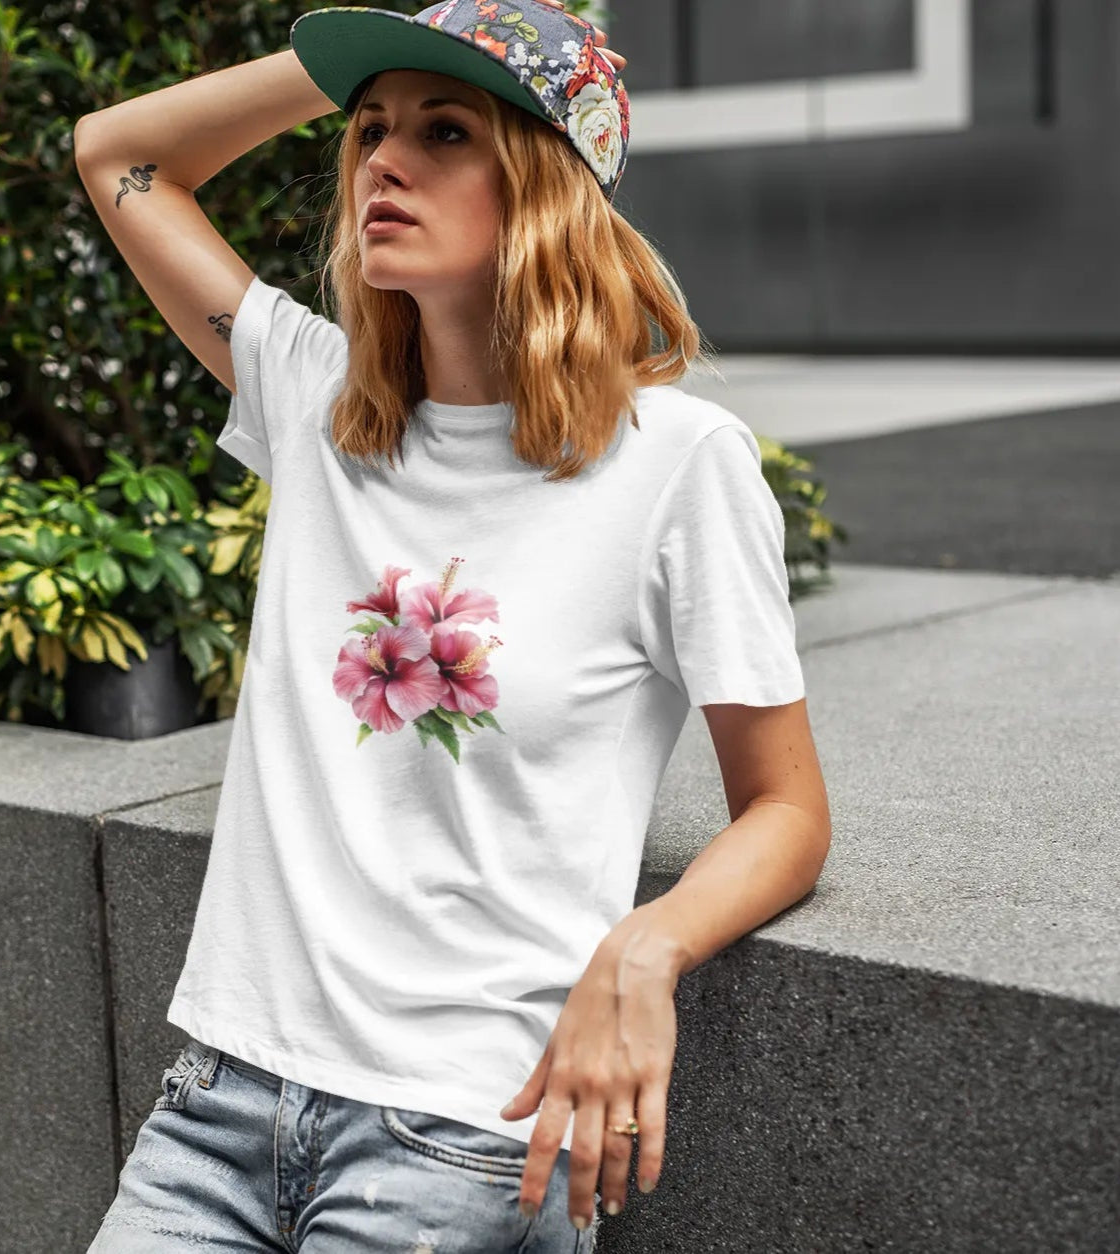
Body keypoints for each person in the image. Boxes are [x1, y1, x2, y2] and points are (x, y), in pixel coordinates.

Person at [74, 1, 831, 1249]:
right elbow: (119, 156)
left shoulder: (678, 463)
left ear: (541, 182)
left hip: (466, 1140)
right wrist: (355, 65)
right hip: (217, 1105)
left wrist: (647, 950)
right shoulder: (317, 401)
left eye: (444, 131)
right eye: (370, 132)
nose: (384, 160)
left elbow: (788, 811)